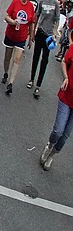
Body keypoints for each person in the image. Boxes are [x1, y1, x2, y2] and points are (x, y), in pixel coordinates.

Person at [40, 31, 73, 170]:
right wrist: (66, 77)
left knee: (65, 136)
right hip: (67, 96)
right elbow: (65, 61)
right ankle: (49, 145)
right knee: (58, 131)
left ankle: (52, 155)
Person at [2, 0, 36, 95]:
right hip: (11, 34)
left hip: (21, 37)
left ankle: (10, 83)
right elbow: (6, 16)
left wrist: (31, 36)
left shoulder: (31, 6)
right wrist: (12, 21)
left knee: (17, 59)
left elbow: (31, 23)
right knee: (8, 57)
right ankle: (6, 73)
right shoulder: (15, 2)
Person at [28, 0, 60, 98]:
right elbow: (37, 16)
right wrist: (33, 32)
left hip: (49, 35)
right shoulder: (41, 1)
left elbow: (57, 19)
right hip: (40, 32)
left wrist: (55, 32)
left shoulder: (56, 3)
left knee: (44, 59)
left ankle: (38, 85)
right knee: (36, 56)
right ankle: (31, 79)